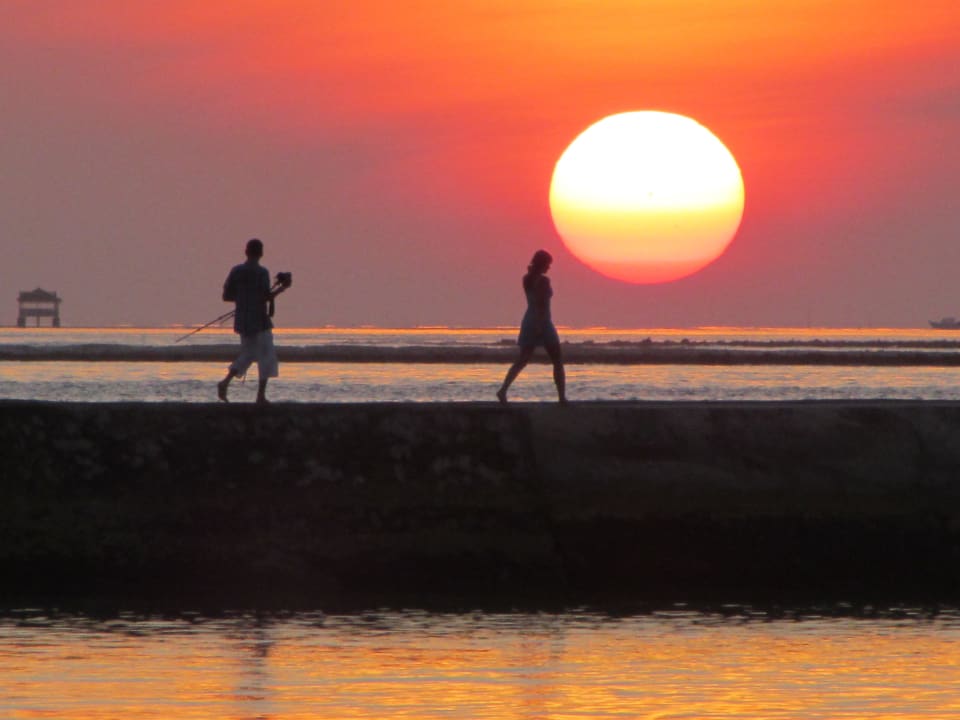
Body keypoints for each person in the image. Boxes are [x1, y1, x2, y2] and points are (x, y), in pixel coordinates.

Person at [497, 249, 567, 404]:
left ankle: (503, 390)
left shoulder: (527, 278)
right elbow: (542, 304)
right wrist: (540, 326)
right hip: (542, 322)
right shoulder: (543, 281)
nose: (549, 267)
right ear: (542, 264)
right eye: (548, 264)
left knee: (522, 360)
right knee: (557, 360)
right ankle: (562, 397)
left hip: (529, 320)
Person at [217, 238, 280, 404]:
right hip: (259, 321)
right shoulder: (262, 273)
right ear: (261, 253)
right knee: (267, 355)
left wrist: (244, 299)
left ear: (246, 252)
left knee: (248, 354)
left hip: (242, 320)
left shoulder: (236, 271)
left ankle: (225, 382)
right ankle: (260, 395)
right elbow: (266, 297)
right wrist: (281, 289)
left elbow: (226, 296)